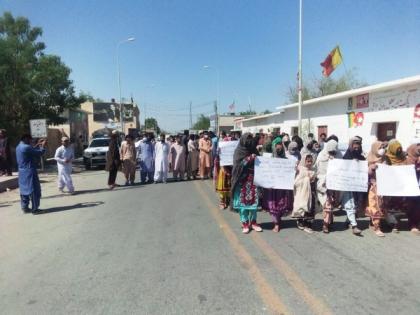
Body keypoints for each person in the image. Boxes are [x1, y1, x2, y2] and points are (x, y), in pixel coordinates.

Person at [231, 133, 262, 234]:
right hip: (241, 181)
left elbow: (261, 162)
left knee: (254, 202)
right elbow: (237, 166)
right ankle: (244, 223)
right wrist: (248, 159)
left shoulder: (253, 149)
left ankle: (253, 222)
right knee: (242, 204)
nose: (249, 143)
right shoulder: (238, 152)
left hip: (253, 180)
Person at [262, 137, 293, 233]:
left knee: (281, 204)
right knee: (273, 205)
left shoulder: (286, 159)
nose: (279, 148)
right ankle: (276, 223)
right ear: (273, 147)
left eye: (280, 145)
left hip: (282, 188)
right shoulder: (269, 159)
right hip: (272, 188)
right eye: (277, 146)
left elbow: (289, 172)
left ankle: (278, 220)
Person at [316, 139, 341, 233]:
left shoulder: (339, 156)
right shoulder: (321, 155)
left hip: (334, 184)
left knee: (331, 205)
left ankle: (329, 221)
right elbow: (318, 169)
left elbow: (341, 168)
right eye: (330, 152)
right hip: (323, 184)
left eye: (334, 151)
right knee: (327, 205)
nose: (332, 153)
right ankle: (325, 225)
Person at [383, 139, 408, 233]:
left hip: (401, 186)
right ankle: (392, 223)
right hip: (390, 186)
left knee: (399, 205)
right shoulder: (386, 157)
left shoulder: (403, 157)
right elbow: (383, 169)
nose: (398, 150)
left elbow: (407, 169)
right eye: (396, 148)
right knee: (389, 205)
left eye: (399, 148)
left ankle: (396, 223)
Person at [16, 134, 46, 213]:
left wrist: (37, 145)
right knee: (34, 190)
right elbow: (39, 153)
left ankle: (25, 207)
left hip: (22, 172)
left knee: (24, 190)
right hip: (30, 171)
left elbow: (30, 151)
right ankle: (35, 209)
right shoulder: (26, 147)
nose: (30, 141)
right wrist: (42, 146)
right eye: (30, 140)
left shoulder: (18, 147)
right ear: (26, 138)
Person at [341, 137, 364, 235]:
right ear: (350, 145)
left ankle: (349, 221)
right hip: (349, 184)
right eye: (354, 144)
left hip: (358, 185)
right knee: (350, 203)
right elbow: (342, 168)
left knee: (357, 203)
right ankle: (354, 226)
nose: (356, 147)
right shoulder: (346, 156)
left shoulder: (362, 158)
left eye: (358, 144)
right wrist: (351, 162)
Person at [365, 141, 387, 237]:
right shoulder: (369, 159)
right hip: (373, 187)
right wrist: (371, 168)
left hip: (383, 186)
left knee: (381, 205)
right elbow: (364, 173)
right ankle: (377, 227)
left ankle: (374, 222)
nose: (382, 149)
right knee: (374, 205)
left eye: (383, 147)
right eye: (380, 147)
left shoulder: (385, 158)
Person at [292, 154, 316, 233]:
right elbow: (296, 183)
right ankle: (300, 222)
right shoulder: (301, 169)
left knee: (310, 208)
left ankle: (308, 224)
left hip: (311, 193)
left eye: (311, 161)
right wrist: (307, 179)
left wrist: (313, 180)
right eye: (308, 161)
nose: (309, 163)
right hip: (302, 192)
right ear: (304, 161)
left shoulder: (313, 170)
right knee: (301, 206)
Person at [406, 142, 420, 234]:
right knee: (413, 205)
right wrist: (416, 169)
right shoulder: (407, 159)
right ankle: (413, 224)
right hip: (412, 186)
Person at [216, 136, 232, 209]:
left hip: (231, 169)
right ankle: (222, 202)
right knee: (222, 188)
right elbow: (218, 160)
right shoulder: (220, 150)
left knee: (230, 187)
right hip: (223, 171)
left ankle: (228, 201)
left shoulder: (232, 150)